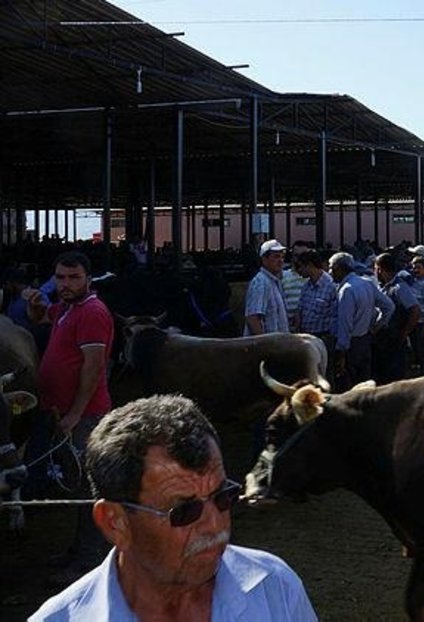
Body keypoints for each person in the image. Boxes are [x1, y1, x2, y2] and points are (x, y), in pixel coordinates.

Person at [31, 395, 316, 621]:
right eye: (184, 511)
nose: (215, 525)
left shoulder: (275, 587)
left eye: (222, 497)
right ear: (115, 523)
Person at [23, 251, 115, 583]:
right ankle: (78, 552)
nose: (65, 284)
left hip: (84, 416)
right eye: (60, 277)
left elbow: (93, 367)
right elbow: (42, 317)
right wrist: (36, 307)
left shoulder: (91, 312)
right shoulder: (68, 308)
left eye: (73, 278)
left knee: (88, 490)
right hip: (64, 414)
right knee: (76, 485)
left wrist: (76, 413)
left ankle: (89, 562)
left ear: (88, 279)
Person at [328, 252, 394, 388]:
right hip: (365, 340)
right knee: (364, 385)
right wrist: (376, 326)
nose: (329, 272)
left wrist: (341, 353)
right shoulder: (367, 283)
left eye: (331, 268)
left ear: (339, 269)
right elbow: (389, 306)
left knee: (347, 387)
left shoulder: (346, 290)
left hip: (350, 345)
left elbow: (345, 324)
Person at [373, 253, 420, 383]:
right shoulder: (383, 286)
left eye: (375, 268)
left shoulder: (399, 288)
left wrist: (405, 332)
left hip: (394, 338)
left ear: (380, 269)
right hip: (384, 337)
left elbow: (415, 310)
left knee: (393, 375)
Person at [293, 250, 337, 352]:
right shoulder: (306, 286)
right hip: (306, 337)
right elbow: (300, 310)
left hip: (323, 338)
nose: (298, 271)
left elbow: (335, 316)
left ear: (309, 265)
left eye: (300, 266)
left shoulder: (331, 286)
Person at [244, 239, 290, 335]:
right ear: (264, 259)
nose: (281, 261)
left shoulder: (274, 282)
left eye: (282, 257)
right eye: (276, 257)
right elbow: (253, 318)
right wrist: (264, 346)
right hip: (265, 347)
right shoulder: (260, 282)